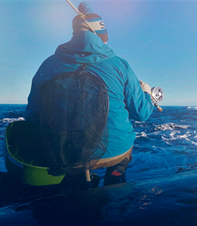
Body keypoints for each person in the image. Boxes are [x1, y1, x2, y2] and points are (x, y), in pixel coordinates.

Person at [25, 2, 154, 187]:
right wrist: (147, 94)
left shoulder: (48, 65)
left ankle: (78, 180)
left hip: (67, 154)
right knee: (122, 152)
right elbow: (142, 113)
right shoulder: (120, 65)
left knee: (74, 169)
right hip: (115, 152)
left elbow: (33, 115)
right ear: (100, 36)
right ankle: (117, 173)